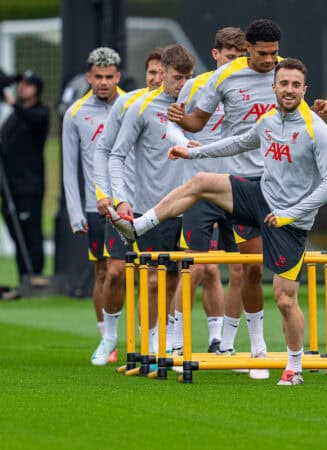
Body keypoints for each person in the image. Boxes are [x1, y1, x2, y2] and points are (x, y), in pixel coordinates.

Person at [167, 19, 327, 378]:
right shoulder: (221, 78)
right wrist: (183, 125)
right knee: (244, 269)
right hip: (244, 183)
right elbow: (199, 123)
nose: (270, 60)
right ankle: (255, 350)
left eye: (273, 53)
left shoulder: (285, 71)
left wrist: (320, 108)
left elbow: (299, 107)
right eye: (262, 54)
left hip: (285, 178)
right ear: (242, 52)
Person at [110, 58, 327, 386]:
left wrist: (291, 214)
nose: (288, 90)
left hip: (290, 221)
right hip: (259, 198)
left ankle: (294, 366)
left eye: (295, 85)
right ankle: (138, 225)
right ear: (274, 87)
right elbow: (238, 142)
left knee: (286, 298)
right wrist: (193, 153)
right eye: (283, 84)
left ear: (305, 89)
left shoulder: (314, 127)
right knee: (202, 180)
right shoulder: (269, 120)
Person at [108, 44, 195, 356]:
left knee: (178, 280)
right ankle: (152, 345)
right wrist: (121, 199)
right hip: (153, 209)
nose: (182, 84)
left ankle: (170, 344)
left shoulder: (200, 107)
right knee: (154, 282)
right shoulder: (141, 108)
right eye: (176, 77)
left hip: (191, 210)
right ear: (163, 75)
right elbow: (116, 155)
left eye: (187, 77)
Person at [165, 28, 247, 358]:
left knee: (242, 269)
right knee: (196, 266)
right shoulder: (197, 86)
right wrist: (186, 143)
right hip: (200, 185)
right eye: (230, 57)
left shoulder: (255, 85)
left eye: (241, 57)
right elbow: (171, 122)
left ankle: (224, 343)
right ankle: (175, 339)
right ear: (215, 56)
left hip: (239, 186)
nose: (235, 63)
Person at [88, 48, 164, 365]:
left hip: (161, 205)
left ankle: (153, 342)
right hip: (123, 204)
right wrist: (105, 193)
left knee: (155, 278)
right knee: (115, 272)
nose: (157, 79)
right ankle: (110, 338)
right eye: (152, 73)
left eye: (163, 74)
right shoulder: (127, 102)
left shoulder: (184, 107)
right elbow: (102, 151)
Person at [62, 47, 123, 356]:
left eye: (109, 77)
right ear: (88, 77)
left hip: (131, 204)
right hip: (94, 207)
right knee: (103, 273)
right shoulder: (75, 113)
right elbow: (68, 167)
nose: (103, 82)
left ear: (118, 76)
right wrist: (75, 213)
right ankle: (107, 340)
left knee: (131, 272)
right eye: (97, 77)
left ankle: (149, 339)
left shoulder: (132, 106)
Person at [0, 70, 48, 285]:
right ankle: (24, 277)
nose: (22, 88)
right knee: (16, 233)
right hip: (9, 186)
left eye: (28, 85)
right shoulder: (13, 116)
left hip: (29, 186)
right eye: (21, 84)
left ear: (36, 90)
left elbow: (29, 117)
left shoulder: (39, 113)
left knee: (30, 232)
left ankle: (34, 274)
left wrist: (12, 103)